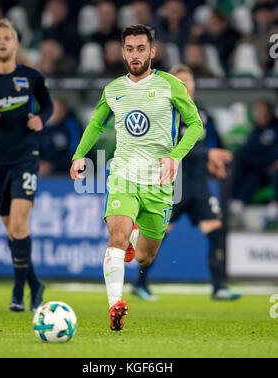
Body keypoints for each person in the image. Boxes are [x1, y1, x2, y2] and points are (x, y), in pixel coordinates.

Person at [70, 25, 203, 332]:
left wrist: (174, 156)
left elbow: (194, 124)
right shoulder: (113, 90)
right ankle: (115, 305)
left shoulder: (171, 85)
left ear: (152, 52)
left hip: (159, 182)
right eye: (129, 48)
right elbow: (95, 124)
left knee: (144, 257)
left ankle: (133, 241)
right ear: (122, 52)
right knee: (115, 235)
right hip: (123, 175)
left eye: (141, 48)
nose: (135, 54)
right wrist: (79, 155)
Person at [132, 65, 242, 301]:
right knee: (159, 235)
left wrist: (210, 161)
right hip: (173, 185)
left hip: (198, 184)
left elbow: (206, 143)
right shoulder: (164, 110)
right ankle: (140, 283)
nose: (185, 86)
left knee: (215, 229)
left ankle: (218, 287)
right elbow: (169, 149)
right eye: (179, 82)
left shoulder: (199, 110)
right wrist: (208, 155)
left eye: (188, 81)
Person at [0, 19, 53, 311]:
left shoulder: (31, 76)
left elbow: (47, 105)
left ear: (16, 43)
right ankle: (36, 285)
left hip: (25, 157)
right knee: (13, 232)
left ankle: (18, 292)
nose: (2, 42)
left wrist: (40, 120)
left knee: (20, 223)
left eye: (7, 37)